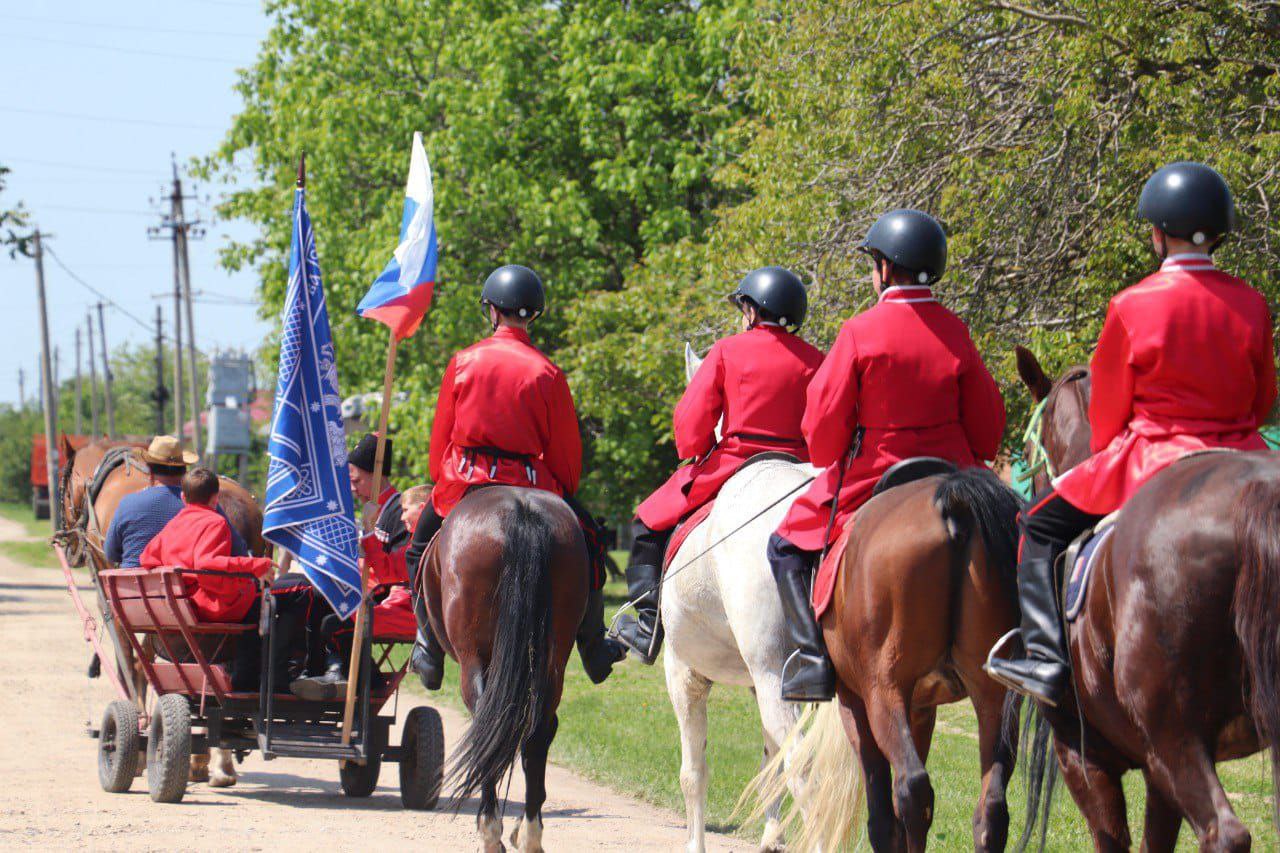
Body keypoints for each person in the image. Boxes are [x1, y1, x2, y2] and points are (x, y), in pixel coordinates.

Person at [986, 162, 1276, 707]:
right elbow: (1262, 401)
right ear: (1218, 232)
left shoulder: (1131, 305)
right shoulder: (1251, 303)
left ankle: (1046, 661)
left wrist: (1108, 450)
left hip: (1153, 456)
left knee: (1039, 527)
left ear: (1158, 232)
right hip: (1244, 456)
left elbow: (1110, 415)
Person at [769, 209, 1006, 702]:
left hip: (877, 473)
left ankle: (812, 660)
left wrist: (837, 451)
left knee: (787, 545)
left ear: (884, 267)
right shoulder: (956, 331)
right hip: (958, 473)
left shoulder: (860, 330)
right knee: (1016, 537)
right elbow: (987, 431)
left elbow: (823, 431)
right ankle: (1024, 643)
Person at [403, 264, 625, 686]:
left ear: (491, 310)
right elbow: (565, 458)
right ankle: (595, 648)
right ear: (533, 315)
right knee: (590, 543)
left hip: (466, 479)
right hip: (531, 480)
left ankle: (428, 644)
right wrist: (562, 489)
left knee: (418, 548)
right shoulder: (548, 372)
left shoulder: (463, 361)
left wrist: (442, 478)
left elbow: (440, 442)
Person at [612, 267, 825, 663]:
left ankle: (647, 626)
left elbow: (691, 420)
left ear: (752, 309)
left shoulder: (727, 350)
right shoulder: (816, 359)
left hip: (734, 460)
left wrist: (695, 449)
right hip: (801, 467)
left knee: (648, 522)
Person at [269, 433, 409, 693]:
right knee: (295, 592)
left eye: (356, 480)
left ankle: (331, 670)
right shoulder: (369, 507)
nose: (352, 488)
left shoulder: (400, 512)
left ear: (375, 476)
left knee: (309, 595)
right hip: (355, 587)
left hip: (377, 595)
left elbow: (397, 573)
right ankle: (297, 670)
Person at [140, 467, 274, 690]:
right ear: (215, 498)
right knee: (261, 604)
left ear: (183, 497)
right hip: (204, 605)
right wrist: (255, 566)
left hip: (180, 604)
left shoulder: (174, 523)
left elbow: (146, 557)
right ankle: (246, 681)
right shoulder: (216, 522)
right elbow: (207, 565)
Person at [290, 487, 428, 701]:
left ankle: (366, 682)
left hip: (413, 613)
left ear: (422, 508)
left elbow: (388, 572)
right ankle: (331, 672)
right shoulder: (419, 540)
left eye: (405, 509)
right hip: (404, 607)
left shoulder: (423, 543)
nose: (401, 516)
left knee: (334, 624)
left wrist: (369, 529)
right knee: (326, 608)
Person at [104, 435, 249, 567]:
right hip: (184, 592)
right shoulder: (203, 505)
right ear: (185, 472)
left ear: (150, 472)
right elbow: (239, 550)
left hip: (133, 592)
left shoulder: (127, 503)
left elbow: (111, 554)